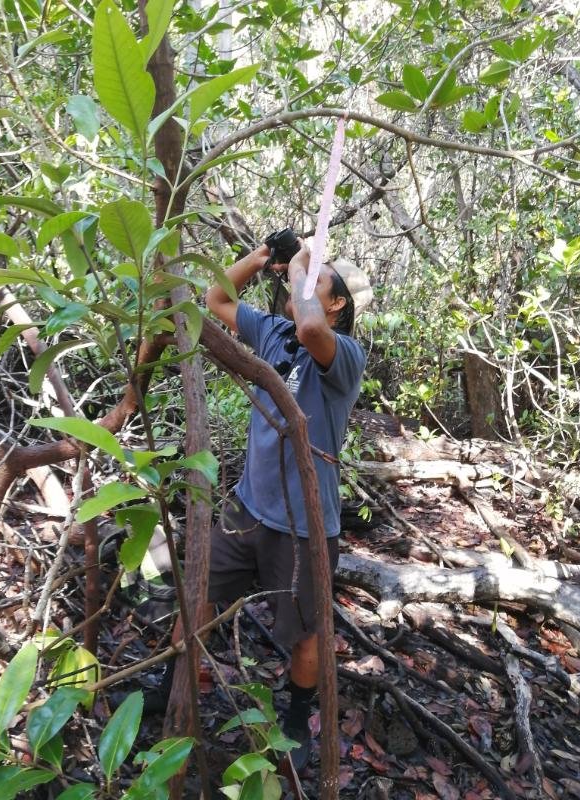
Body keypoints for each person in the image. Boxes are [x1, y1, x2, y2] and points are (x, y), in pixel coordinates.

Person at [151, 238, 372, 770]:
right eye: (303, 275)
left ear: (337, 302)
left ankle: (296, 713)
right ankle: (173, 683)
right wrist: (261, 257)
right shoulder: (273, 333)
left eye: (317, 280)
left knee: (305, 631)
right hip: (245, 507)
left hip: (304, 529)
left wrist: (301, 264)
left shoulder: (343, 357)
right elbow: (215, 301)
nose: (301, 282)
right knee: (199, 594)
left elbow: (312, 330)